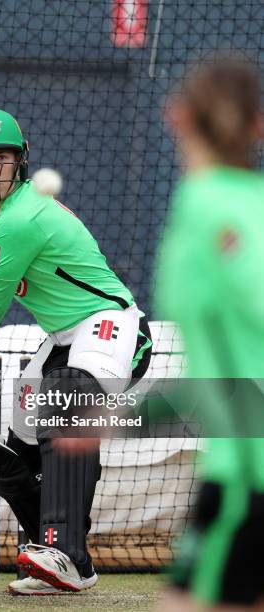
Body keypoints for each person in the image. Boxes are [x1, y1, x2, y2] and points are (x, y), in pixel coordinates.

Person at [0, 108, 152, 595]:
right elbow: (0, 264)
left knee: (66, 401)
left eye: (0, 158)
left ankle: (65, 552)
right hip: (66, 337)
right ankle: (63, 563)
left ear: (20, 161)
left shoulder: (22, 216)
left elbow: (0, 296)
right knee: (13, 452)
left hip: (112, 329)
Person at [155, 56, 264, 611]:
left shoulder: (204, 206)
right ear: (258, 126)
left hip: (248, 474)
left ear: (177, 117)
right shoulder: (250, 203)